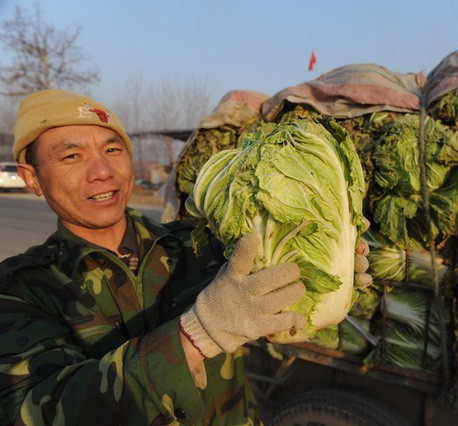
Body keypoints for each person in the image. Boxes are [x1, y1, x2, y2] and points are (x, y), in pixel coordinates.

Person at [0, 89, 372, 425]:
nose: (102, 172)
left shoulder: (195, 246)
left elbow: (275, 313)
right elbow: (32, 414)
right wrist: (197, 334)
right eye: (72, 156)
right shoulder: (18, 290)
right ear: (31, 178)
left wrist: (318, 272)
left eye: (113, 150)